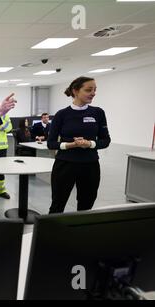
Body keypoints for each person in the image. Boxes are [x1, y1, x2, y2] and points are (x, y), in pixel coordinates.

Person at [47, 76, 111, 214]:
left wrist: (90, 144)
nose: (93, 93)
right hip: (65, 165)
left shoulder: (98, 113)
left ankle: (80, 233)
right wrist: (70, 145)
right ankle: (52, 234)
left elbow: (105, 140)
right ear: (75, 91)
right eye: (89, 90)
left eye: (95, 90)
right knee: (57, 205)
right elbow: (51, 144)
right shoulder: (61, 115)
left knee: (86, 206)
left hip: (90, 165)